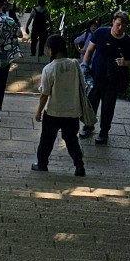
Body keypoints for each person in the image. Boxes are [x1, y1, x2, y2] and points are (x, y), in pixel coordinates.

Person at [31, 33, 94, 176]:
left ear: (52, 49)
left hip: (53, 111)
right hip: (72, 111)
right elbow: (82, 85)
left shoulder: (49, 68)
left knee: (46, 139)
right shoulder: (74, 64)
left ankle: (42, 164)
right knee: (72, 140)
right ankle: (79, 166)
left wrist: (38, 112)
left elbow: (44, 94)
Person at [80, 10, 130, 145]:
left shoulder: (128, 42)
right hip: (95, 76)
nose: (120, 28)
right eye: (118, 24)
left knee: (108, 107)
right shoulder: (101, 33)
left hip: (113, 80)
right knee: (91, 103)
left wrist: (125, 63)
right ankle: (88, 125)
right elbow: (89, 50)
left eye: (123, 26)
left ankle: (104, 131)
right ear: (113, 22)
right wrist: (85, 66)